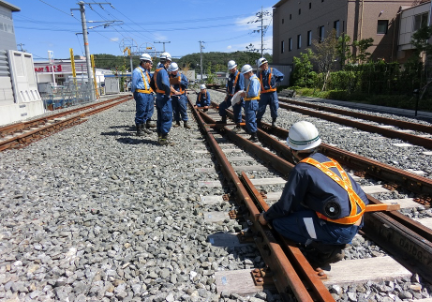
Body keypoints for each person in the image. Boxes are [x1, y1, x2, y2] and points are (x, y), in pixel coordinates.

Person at [258, 121, 369, 268]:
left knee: (279, 224)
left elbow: (285, 206)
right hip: (357, 222)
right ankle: (332, 237)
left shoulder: (302, 169)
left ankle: (326, 249)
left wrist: (265, 217)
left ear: (293, 150)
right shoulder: (328, 161)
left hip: (339, 230)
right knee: (300, 211)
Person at [153, 52, 177, 146]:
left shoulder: (157, 70)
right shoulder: (163, 71)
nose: (169, 64)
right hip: (164, 97)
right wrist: (168, 93)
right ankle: (163, 139)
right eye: (169, 62)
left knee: (160, 117)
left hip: (159, 96)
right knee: (167, 117)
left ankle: (160, 137)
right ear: (167, 61)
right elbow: (166, 84)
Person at [256, 57, 284, 127]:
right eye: (261, 66)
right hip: (264, 93)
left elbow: (281, 76)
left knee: (274, 106)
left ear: (266, 64)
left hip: (272, 93)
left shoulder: (273, 70)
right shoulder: (260, 74)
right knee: (261, 107)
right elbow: (256, 82)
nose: (262, 67)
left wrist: (275, 83)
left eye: (263, 65)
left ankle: (274, 121)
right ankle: (258, 120)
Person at [131, 53, 154, 136]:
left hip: (147, 93)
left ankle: (143, 127)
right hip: (141, 93)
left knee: (146, 111)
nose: (150, 64)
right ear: (144, 62)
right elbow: (134, 83)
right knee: (141, 111)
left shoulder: (146, 71)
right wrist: (134, 92)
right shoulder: (137, 71)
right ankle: (139, 130)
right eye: (149, 62)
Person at [218, 60, 244, 131]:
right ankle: (223, 120)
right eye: (231, 69)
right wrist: (227, 95)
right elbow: (228, 87)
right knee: (222, 107)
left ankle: (238, 126)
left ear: (236, 66)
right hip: (230, 96)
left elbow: (241, 88)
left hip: (237, 97)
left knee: (236, 111)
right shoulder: (230, 76)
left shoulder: (240, 75)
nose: (232, 70)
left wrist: (239, 99)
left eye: (233, 68)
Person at [240, 64, 260, 142]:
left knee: (250, 120)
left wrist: (245, 94)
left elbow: (254, 93)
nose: (244, 76)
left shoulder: (254, 80)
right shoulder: (252, 79)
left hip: (251, 102)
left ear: (248, 72)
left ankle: (255, 136)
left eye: (244, 74)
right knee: (249, 119)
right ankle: (253, 135)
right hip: (250, 102)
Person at [168, 62, 190, 129]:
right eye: (173, 71)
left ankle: (185, 122)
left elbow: (186, 84)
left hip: (181, 95)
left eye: (175, 71)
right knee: (175, 109)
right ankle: (177, 122)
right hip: (173, 96)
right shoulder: (169, 76)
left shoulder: (182, 76)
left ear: (177, 70)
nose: (174, 72)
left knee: (183, 108)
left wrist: (180, 82)